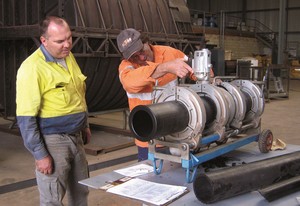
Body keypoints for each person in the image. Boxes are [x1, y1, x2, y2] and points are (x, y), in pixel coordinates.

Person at [16, 16, 91, 206]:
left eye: (69, 38)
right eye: (60, 41)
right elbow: (26, 118)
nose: (67, 45)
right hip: (53, 140)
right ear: (44, 41)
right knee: (53, 198)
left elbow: (78, 93)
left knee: (81, 189)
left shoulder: (68, 56)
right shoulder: (31, 68)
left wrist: (85, 125)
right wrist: (40, 155)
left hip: (77, 136)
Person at [117, 28, 195, 161]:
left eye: (142, 50)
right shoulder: (126, 67)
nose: (141, 57)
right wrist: (166, 67)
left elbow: (195, 66)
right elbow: (129, 83)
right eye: (135, 56)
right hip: (149, 139)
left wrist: (206, 74)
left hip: (176, 134)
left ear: (146, 41)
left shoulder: (169, 53)